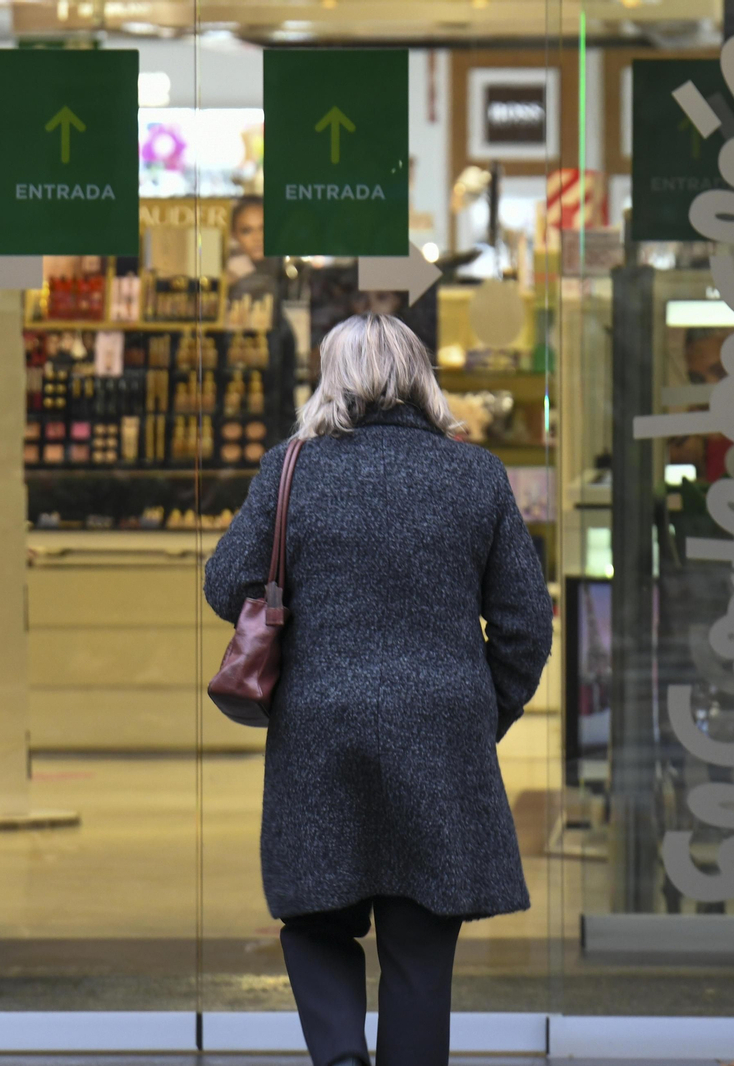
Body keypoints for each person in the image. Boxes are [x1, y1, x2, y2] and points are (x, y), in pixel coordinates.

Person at [203, 313, 553, 1066]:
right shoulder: (475, 475)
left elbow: (225, 582)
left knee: (318, 916)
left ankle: (340, 1060)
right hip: (440, 726)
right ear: (421, 379)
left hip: (319, 727)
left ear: (330, 379)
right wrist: (479, 712)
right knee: (421, 939)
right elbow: (527, 623)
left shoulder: (292, 467)